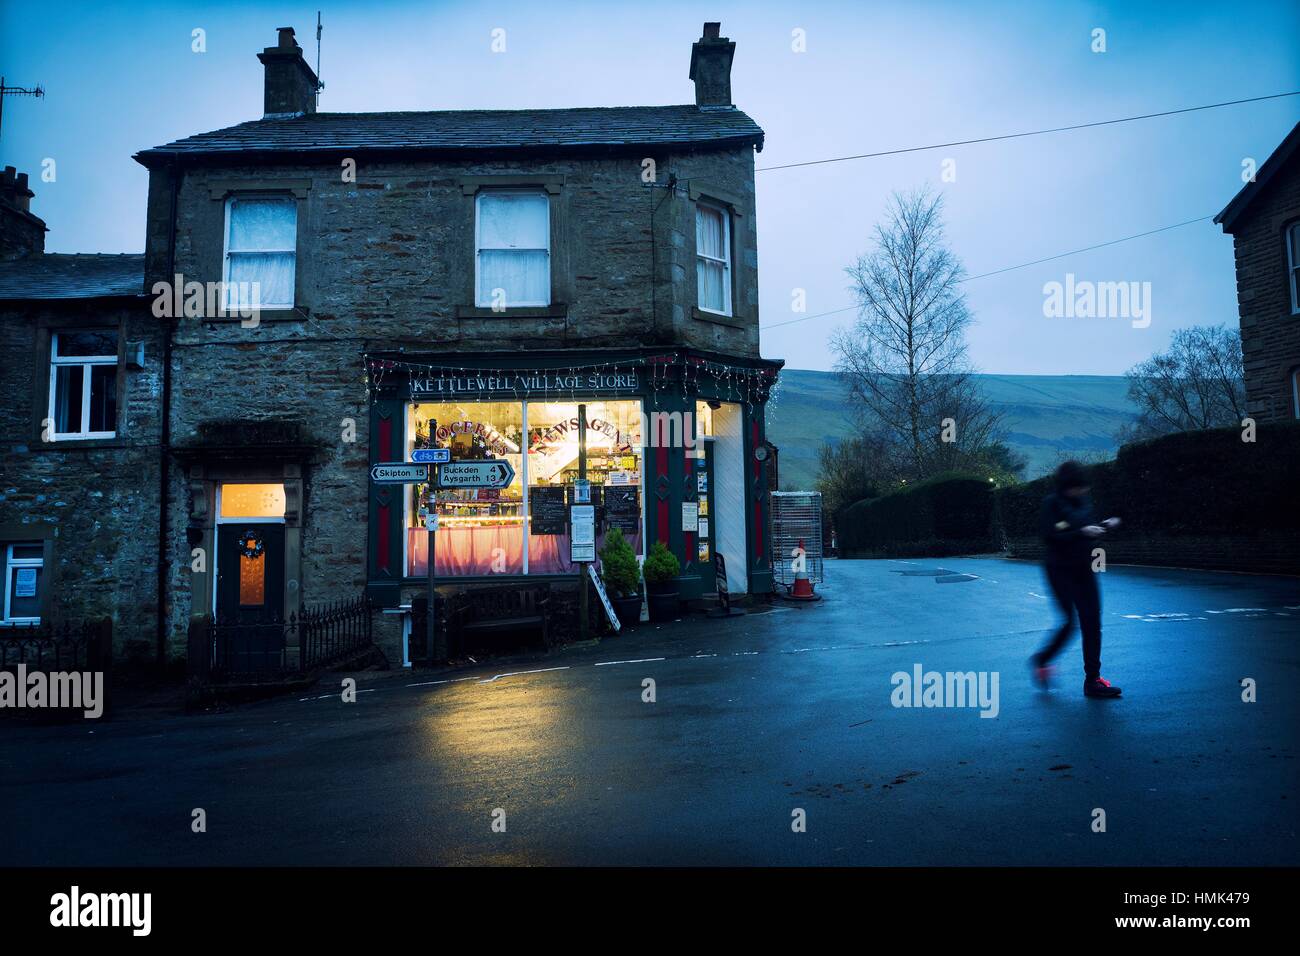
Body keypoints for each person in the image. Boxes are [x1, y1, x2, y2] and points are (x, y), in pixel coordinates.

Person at [1030, 461, 1122, 698]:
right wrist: (1081, 532)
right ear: (1065, 486)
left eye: (1084, 487)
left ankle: (1093, 681)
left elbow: (1086, 529)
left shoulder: (1083, 503)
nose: (1082, 491)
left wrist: (1104, 526)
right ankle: (1042, 660)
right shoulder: (1052, 503)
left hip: (1083, 568)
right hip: (1059, 569)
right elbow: (1050, 536)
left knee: (1092, 622)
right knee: (1069, 622)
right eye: (1077, 487)